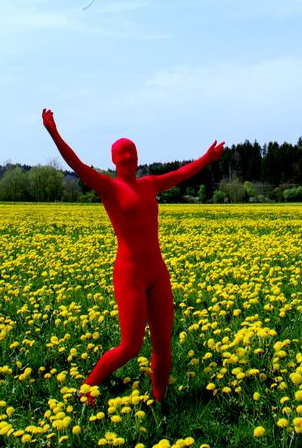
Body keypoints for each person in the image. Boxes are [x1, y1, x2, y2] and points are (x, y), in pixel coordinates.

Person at [42, 108, 224, 404]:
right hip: (129, 273)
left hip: (157, 270)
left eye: (133, 153)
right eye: (123, 155)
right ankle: (85, 391)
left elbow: (179, 175)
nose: (129, 158)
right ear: (114, 161)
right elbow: (76, 165)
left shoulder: (149, 185)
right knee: (130, 346)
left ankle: (160, 401)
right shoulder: (108, 188)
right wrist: (54, 134)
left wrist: (206, 158)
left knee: (163, 342)